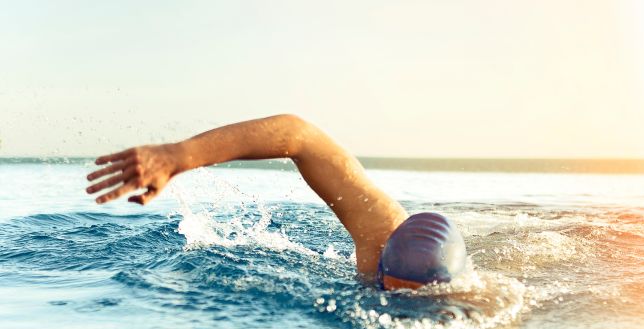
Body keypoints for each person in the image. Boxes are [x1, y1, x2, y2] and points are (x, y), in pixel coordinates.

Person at [86, 114, 466, 290]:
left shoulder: (485, 312)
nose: (394, 300)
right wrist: (179, 156)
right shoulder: (383, 233)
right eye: (387, 284)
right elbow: (297, 135)